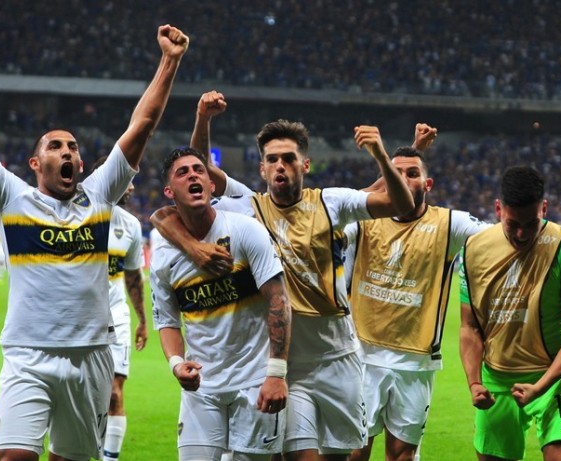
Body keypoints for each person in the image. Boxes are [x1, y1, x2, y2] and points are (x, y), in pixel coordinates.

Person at [0, 23, 188, 461]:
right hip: (27, 355)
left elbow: (143, 125)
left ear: (82, 163)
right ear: (36, 163)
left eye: (73, 147)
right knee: (14, 456)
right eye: (55, 146)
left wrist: (169, 60)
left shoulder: (100, 195)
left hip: (92, 356)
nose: (67, 151)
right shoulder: (11, 196)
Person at [152, 91, 416, 461]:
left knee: (339, 457)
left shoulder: (331, 202)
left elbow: (403, 204)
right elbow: (176, 201)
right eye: (272, 160)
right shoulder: (248, 207)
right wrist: (203, 119)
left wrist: (381, 156)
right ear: (262, 169)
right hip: (284, 360)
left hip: (338, 352)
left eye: (289, 159)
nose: (280, 166)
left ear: (305, 164)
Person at [344, 130, 491, 461]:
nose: (404, 179)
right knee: (352, 452)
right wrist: (405, 159)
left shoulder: (449, 224)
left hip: (416, 362)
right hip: (362, 356)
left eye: (413, 174)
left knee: (402, 456)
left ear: (429, 184)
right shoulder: (363, 222)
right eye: (396, 174)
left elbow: (496, 239)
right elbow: (334, 210)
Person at [150, 147, 291, 461]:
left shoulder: (245, 230)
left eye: (199, 170)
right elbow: (167, 321)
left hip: (255, 380)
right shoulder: (162, 257)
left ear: (212, 185)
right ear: (169, 192)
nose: (193, 175)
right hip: (202, 387)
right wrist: (177, 363)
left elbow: (279, 301)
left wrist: (276, 373)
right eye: (183, 172)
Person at [458, 165, 561, 461]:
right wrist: (474, 382)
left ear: (543, 209)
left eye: (530, 223)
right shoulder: (473, 251)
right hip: (498, 379)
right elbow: (469, 327)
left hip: (556, 377)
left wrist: (540, 387)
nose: (521, 234)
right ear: (498, 209)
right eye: (513, 224)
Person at [89, 156, 149, 461]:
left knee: (114, 393)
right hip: (81, 320)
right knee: (84, 396)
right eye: (128, 179)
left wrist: (142, 319)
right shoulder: (79, 217)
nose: (132, 186)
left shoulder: (130, 225)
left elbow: (133, 277)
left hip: (117, 317)